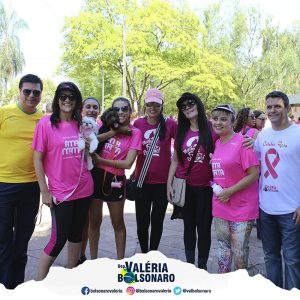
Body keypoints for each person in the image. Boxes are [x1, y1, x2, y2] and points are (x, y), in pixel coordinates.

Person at [33, 82, 93, 280]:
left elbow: (90, 149)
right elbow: (37, 158)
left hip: (84, 188)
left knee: (76, 234)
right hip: (61, 193)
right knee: (58, 239)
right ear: (57, 99)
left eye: (71, 96)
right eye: (63, 96)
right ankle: (40, 282)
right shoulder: (46, 123)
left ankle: (71, 276)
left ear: (77, 101)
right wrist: (44, 191)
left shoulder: (82, 124)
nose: (67, 100)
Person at [0, 74, 43, 289]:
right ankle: (4, 284)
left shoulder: (44, 119)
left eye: (36, 92)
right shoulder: (4, 113)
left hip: (31, 186)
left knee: (23, 238)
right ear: (20, 91)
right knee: (2, 237)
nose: (31, 95)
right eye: (27, 91)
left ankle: (15, 285)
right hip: (3, 185)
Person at [255, 90, 300, 290]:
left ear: (287, 109)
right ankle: (274, 293)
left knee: (292, 260)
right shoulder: (262, 136)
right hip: (266, 209)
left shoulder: (298, 134)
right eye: (269, 107)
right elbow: (254, 167)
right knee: (270, 256)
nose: (272, 110)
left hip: (292, 211)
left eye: (277, 106)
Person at [167, 92, 216, 270]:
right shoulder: (182, 131)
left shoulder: (212, 128)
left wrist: (247, 140)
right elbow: (175, 159)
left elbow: (228, 141)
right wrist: (168, 184)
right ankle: (190, 264)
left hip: (206, 188)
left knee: (204, 229)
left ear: (198, 104)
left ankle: (202, 266)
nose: (187, 108)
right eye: (183, 106)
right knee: (188, 227)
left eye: (190, 103)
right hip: (185, 186)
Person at [210, 104, 260, 273]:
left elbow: (254, 174)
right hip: (221, 205)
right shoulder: (216, 144)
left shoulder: (243, 142)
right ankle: (223, 285)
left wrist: (230, 191)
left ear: (232, 121)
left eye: (223, 119)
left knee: (239, 253)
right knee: (222, 249)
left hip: (242, 206)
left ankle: (239, 289)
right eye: (215, 118)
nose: (218, 122)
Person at [92, 97, 142, 259]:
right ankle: (93, 261)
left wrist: (101, 161)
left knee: (117, 223)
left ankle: (120, 262)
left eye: (124, 109)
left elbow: (128, 164)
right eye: (116, 109)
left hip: (115, 179)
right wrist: (113, 132)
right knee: (94, 221)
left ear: (130, 112)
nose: (120, 112)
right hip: (96, 177)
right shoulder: (103, 127)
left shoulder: (135, 133)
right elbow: (90, 141)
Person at [133, 88, 177, 253]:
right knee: (142, 222)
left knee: (157, 221)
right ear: (145, 104)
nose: (152, 108)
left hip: (162, 184)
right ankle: (144, 252)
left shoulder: (170, 124)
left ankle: (153, 252)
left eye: (156, 105)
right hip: (142, 181)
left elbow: (181, 146)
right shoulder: (138, 124)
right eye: (149, 104)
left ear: (162, 105)